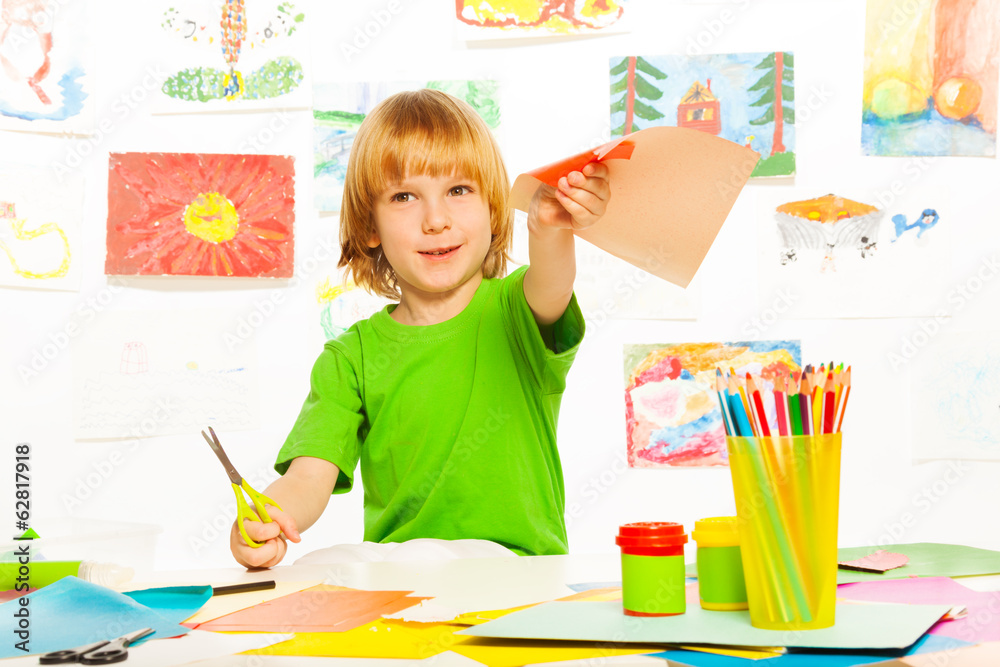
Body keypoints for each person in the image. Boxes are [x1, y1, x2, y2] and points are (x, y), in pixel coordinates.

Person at [230, 89, 610, 568]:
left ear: (494, 211)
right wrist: (267, 517)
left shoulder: (516, 312)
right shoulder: (351, 358)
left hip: (526, 579)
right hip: (401, 589)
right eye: (404, 196)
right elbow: (309, 477)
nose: (436, 220)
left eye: (458, 190)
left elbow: (554, 284)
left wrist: (551, 229)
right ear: (370, 227)